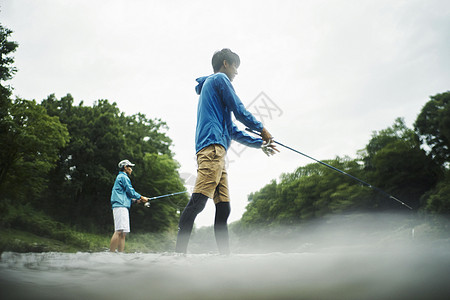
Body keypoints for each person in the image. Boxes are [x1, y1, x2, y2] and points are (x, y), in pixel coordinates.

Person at [175, 48, 278, 255]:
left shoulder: (212, 88)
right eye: (235, 67)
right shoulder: (220, 79)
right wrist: (262, 128)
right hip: (212, 150)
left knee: (224, 208)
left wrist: (260, 143)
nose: (236, 73)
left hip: (217, 152)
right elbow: (239, 110)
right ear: (225, 64)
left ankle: (225, 259)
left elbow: (231, 130)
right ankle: (178, 256)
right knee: (198, 203)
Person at [109, 159, 149, 252]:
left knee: (123, 233)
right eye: (130, 167)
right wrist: (142, 197)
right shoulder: (123, 177)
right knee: (119, 231)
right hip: (120, 206)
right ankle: (110, 254)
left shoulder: (122, 177)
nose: (131, 169)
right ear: (125, 167)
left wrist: (135, 201)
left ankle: (120, 255)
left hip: (123, 206)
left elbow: (125, 195)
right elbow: (130, 191)